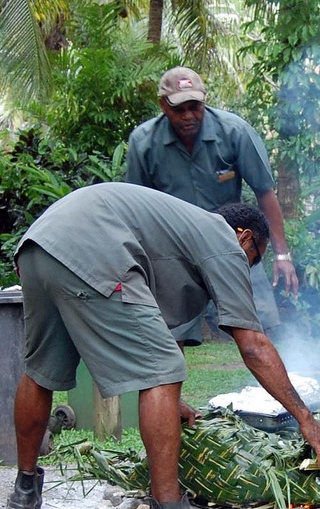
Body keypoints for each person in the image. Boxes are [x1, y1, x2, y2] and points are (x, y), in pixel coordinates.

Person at [6, 182, 320, 509]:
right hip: (94, 250)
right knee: (163, 372)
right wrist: (305, 418)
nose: (248, 267)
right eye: (254, 258)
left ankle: (25, 491)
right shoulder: (223, 242)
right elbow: (253, 344)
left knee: (41, 372)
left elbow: (158, 329)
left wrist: (171, 402)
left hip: (38, 246)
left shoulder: (177, 233)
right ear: (244, 238)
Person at [126, 66, 299, 344]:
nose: (189, 116)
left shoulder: (235, 132)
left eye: (195, 107)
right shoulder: (144, 143)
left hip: (233, 245)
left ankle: (280, 385)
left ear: (204, 101)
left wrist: (281, 255)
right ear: (163, 106)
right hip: (174, 252)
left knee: (262, 326)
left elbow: (265, 192)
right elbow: (133, 207)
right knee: (169, 337)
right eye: (179, 109)